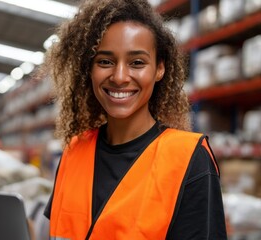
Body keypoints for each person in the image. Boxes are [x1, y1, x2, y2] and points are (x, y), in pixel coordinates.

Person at [40, 0, 228, 239]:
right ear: (89, 69)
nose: (119, 77)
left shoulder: (188, 159)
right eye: (105, 61)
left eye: (137, 63)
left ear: (159, 69)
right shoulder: (74, 151)